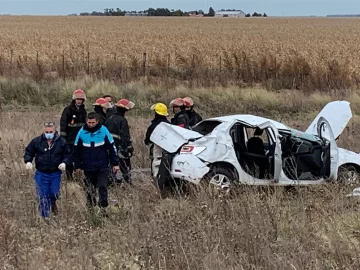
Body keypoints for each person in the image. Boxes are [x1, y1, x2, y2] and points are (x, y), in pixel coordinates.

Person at [73, 112, 120, 216]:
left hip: (102, 166)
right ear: (86, 121)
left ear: (97, 121)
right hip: (87, 167)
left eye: (93, 122)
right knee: (89, 189)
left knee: (102, 187)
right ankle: (90, 209)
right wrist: (77, 166)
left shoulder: (103, 131)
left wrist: (115, 163)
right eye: (89, 122)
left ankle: (103, 209)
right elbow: (76, 151)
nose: (90, 124)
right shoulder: (81, 132)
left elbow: (112, 148)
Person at [24, 122, 71, 220]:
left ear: (54, 131)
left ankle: (53, 203)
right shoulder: (37, 141)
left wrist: (65, 163)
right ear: (43, 131)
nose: (49, 133)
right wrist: (28, 161)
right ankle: (45, 217)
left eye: (51, 131)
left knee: (54, 193)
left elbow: (68, 155)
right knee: (42, 195)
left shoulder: (61, 142)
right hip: (41, 173)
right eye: (47, 132)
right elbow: (29, 151)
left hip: (55, 173)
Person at [104, 99, 135, 185]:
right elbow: (125, 136)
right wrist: (128, 147)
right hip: (120, 147)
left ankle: (110, 182)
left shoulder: (109, 118)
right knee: (125, 166)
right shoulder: (122, 120)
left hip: (110, 147)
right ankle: (128, 182)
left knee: (111, 165)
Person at [60, 89, 87, 181]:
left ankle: (78, 176)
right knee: (69, 159)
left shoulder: (83, 111)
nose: (79, 101)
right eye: (77, 99)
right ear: (74, 100)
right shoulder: (67, 110)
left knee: (79, 158)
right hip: (69, 140)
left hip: (80, 140)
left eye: (81, 99)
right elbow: (63, 125)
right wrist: (63, 139)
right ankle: (69, 177)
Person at [144, 103, 170, 178]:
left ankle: (156, 179)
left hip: (156, 149)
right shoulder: (169, 124)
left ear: (156, 113)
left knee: (155, 166)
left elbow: (148, 139)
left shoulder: (154, 125)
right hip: (167, 149)